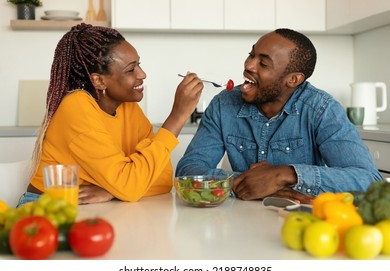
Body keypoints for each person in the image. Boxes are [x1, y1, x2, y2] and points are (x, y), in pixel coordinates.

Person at [175, 28, 383, 204]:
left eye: (263, 64)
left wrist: (284, 174)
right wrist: (255, 185)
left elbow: (369, 181)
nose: (248, 65)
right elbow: (188, 171)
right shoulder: (224, 103)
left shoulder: (321, 109)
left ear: (292, 79)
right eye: (251, 54)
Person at [17, 23, 203, 206]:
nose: (142, 74)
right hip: (46, 206)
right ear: (98, 80)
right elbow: (132, 186)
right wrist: (177, 117)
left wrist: (111, 191)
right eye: (131, 69)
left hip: (95, 207)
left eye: (139, 64)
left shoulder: (128, 108)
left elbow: (162, 178)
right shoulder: (76, 107)